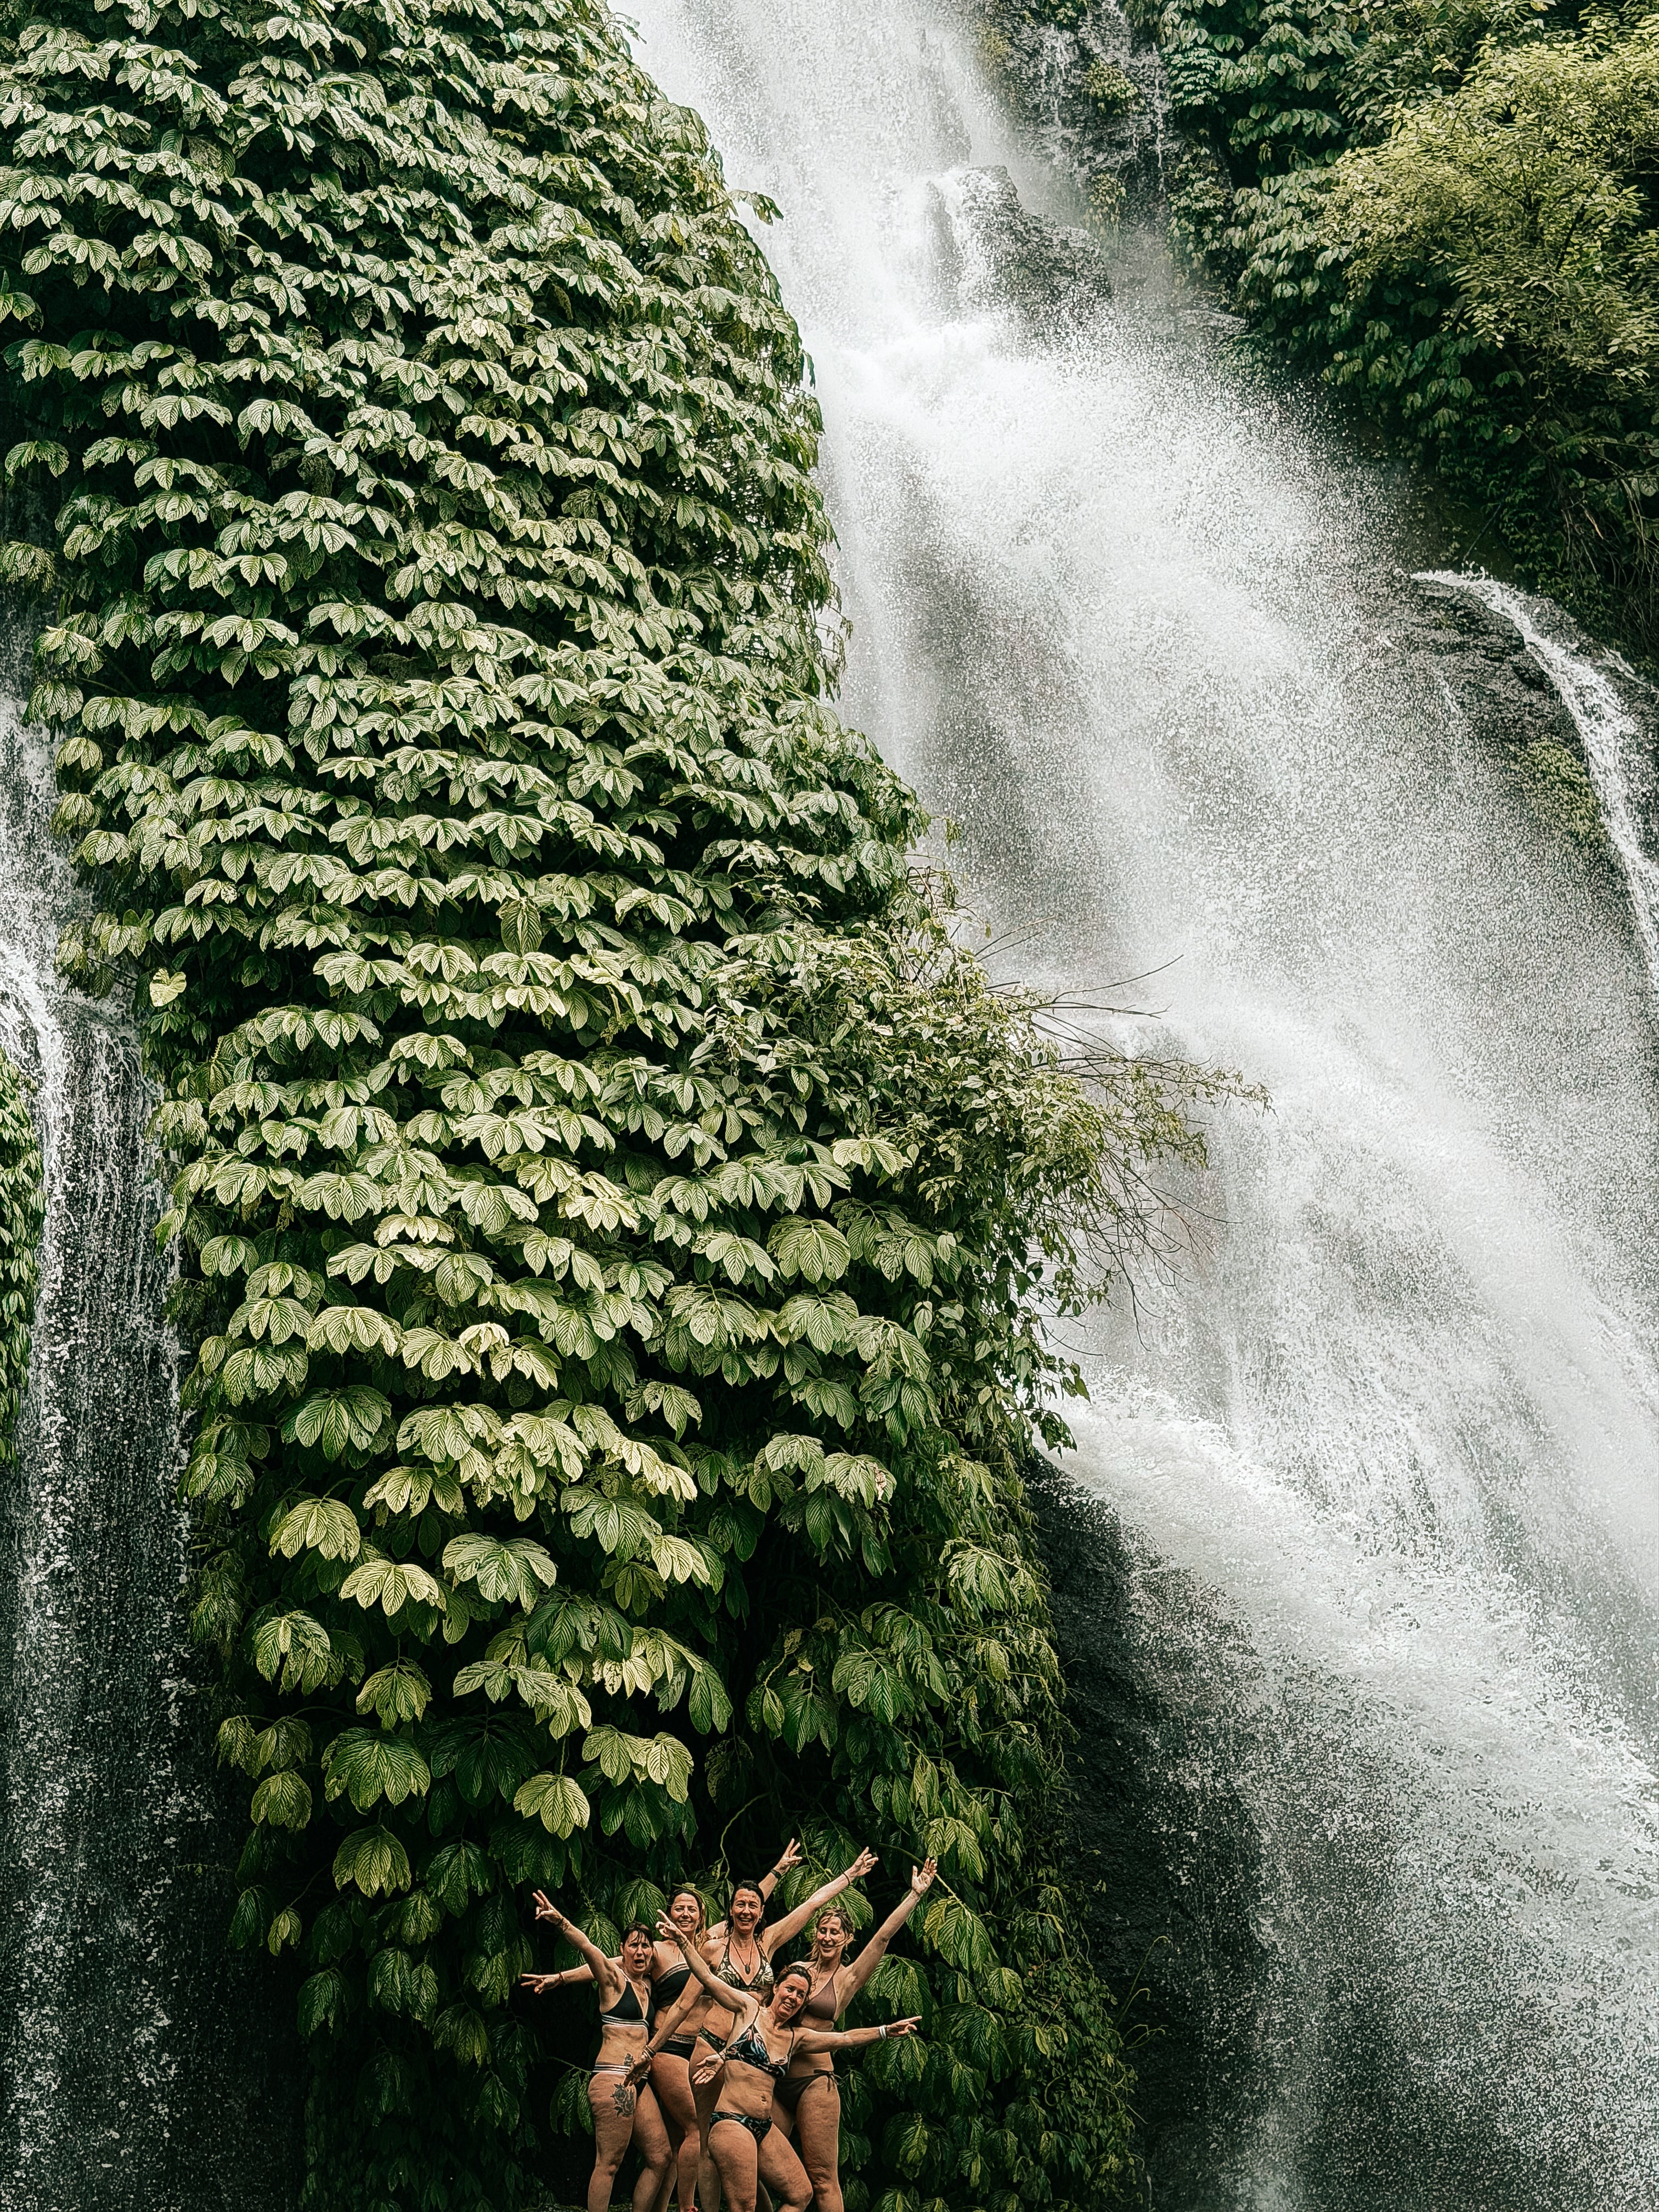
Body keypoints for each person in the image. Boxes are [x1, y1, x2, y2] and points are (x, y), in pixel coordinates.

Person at [645, 1846, 879, 2212]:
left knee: (751, 2136)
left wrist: (848, 1876)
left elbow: (811, 1906)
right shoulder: (713, 1948)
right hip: (710, 2047)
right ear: (730, 1910)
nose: (746, 1910)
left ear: (761, 1913)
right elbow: (682, 2004)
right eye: (739, 1904)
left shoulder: (768, 1942)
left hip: (753, 2054)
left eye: (753, 1906)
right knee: (707, 2139)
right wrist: (650, 2051)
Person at [771, 1860, 938, 2212]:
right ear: (815, 1933)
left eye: (836, 1932)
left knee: (822, 2179)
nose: (828, 1937)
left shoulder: (847, 1978)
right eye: (824, 1930)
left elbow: (883, 1937)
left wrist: (915, 1895)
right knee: (760, 2160)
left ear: (847, 1939)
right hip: (775, 2077)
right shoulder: (796, 1972)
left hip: (814, 2081)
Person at [520, 1894, 673, 2212]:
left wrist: (561, 1978)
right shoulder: (614, 1981)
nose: (641, 1951)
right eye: (634, 1945)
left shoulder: (646, 1986)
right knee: (610, 2163)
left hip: (638, 2082)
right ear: (622, 1950)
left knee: (660, 2157)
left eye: (646, 1946)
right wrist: (561, 1922)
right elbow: (590, 1950)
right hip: (614, 2078)